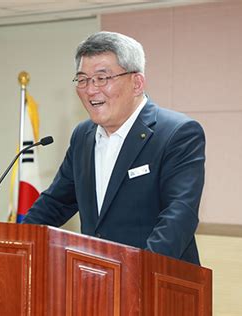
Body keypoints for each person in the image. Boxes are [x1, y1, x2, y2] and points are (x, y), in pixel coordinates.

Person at [23, 31, 205, 265]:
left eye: (102, 78)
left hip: (157, 283)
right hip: (95, 279)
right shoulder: (83, 136)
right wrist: (17, 242)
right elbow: (56, 203)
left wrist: (138, 273)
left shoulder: (176, 133)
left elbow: (179, 216)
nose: (90, 89)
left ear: (137, 83)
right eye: (83, 79)